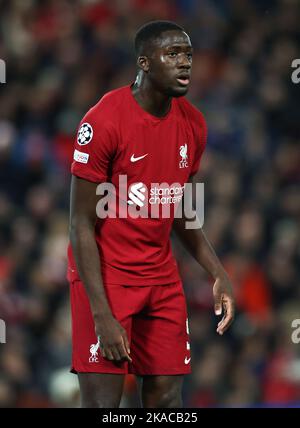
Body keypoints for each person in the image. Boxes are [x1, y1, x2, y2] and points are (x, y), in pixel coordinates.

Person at [68, 20, 235, 408]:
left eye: (189, 55)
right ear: (144, 62)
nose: (185, 63)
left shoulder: (194, 125)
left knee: (167, 401)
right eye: (173, 54)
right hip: (107, 279)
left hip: (160, 279)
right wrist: (102, 315)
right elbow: (79, 223)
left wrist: (217, 271)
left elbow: (180, 207)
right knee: (103, 405)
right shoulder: (103, 121)